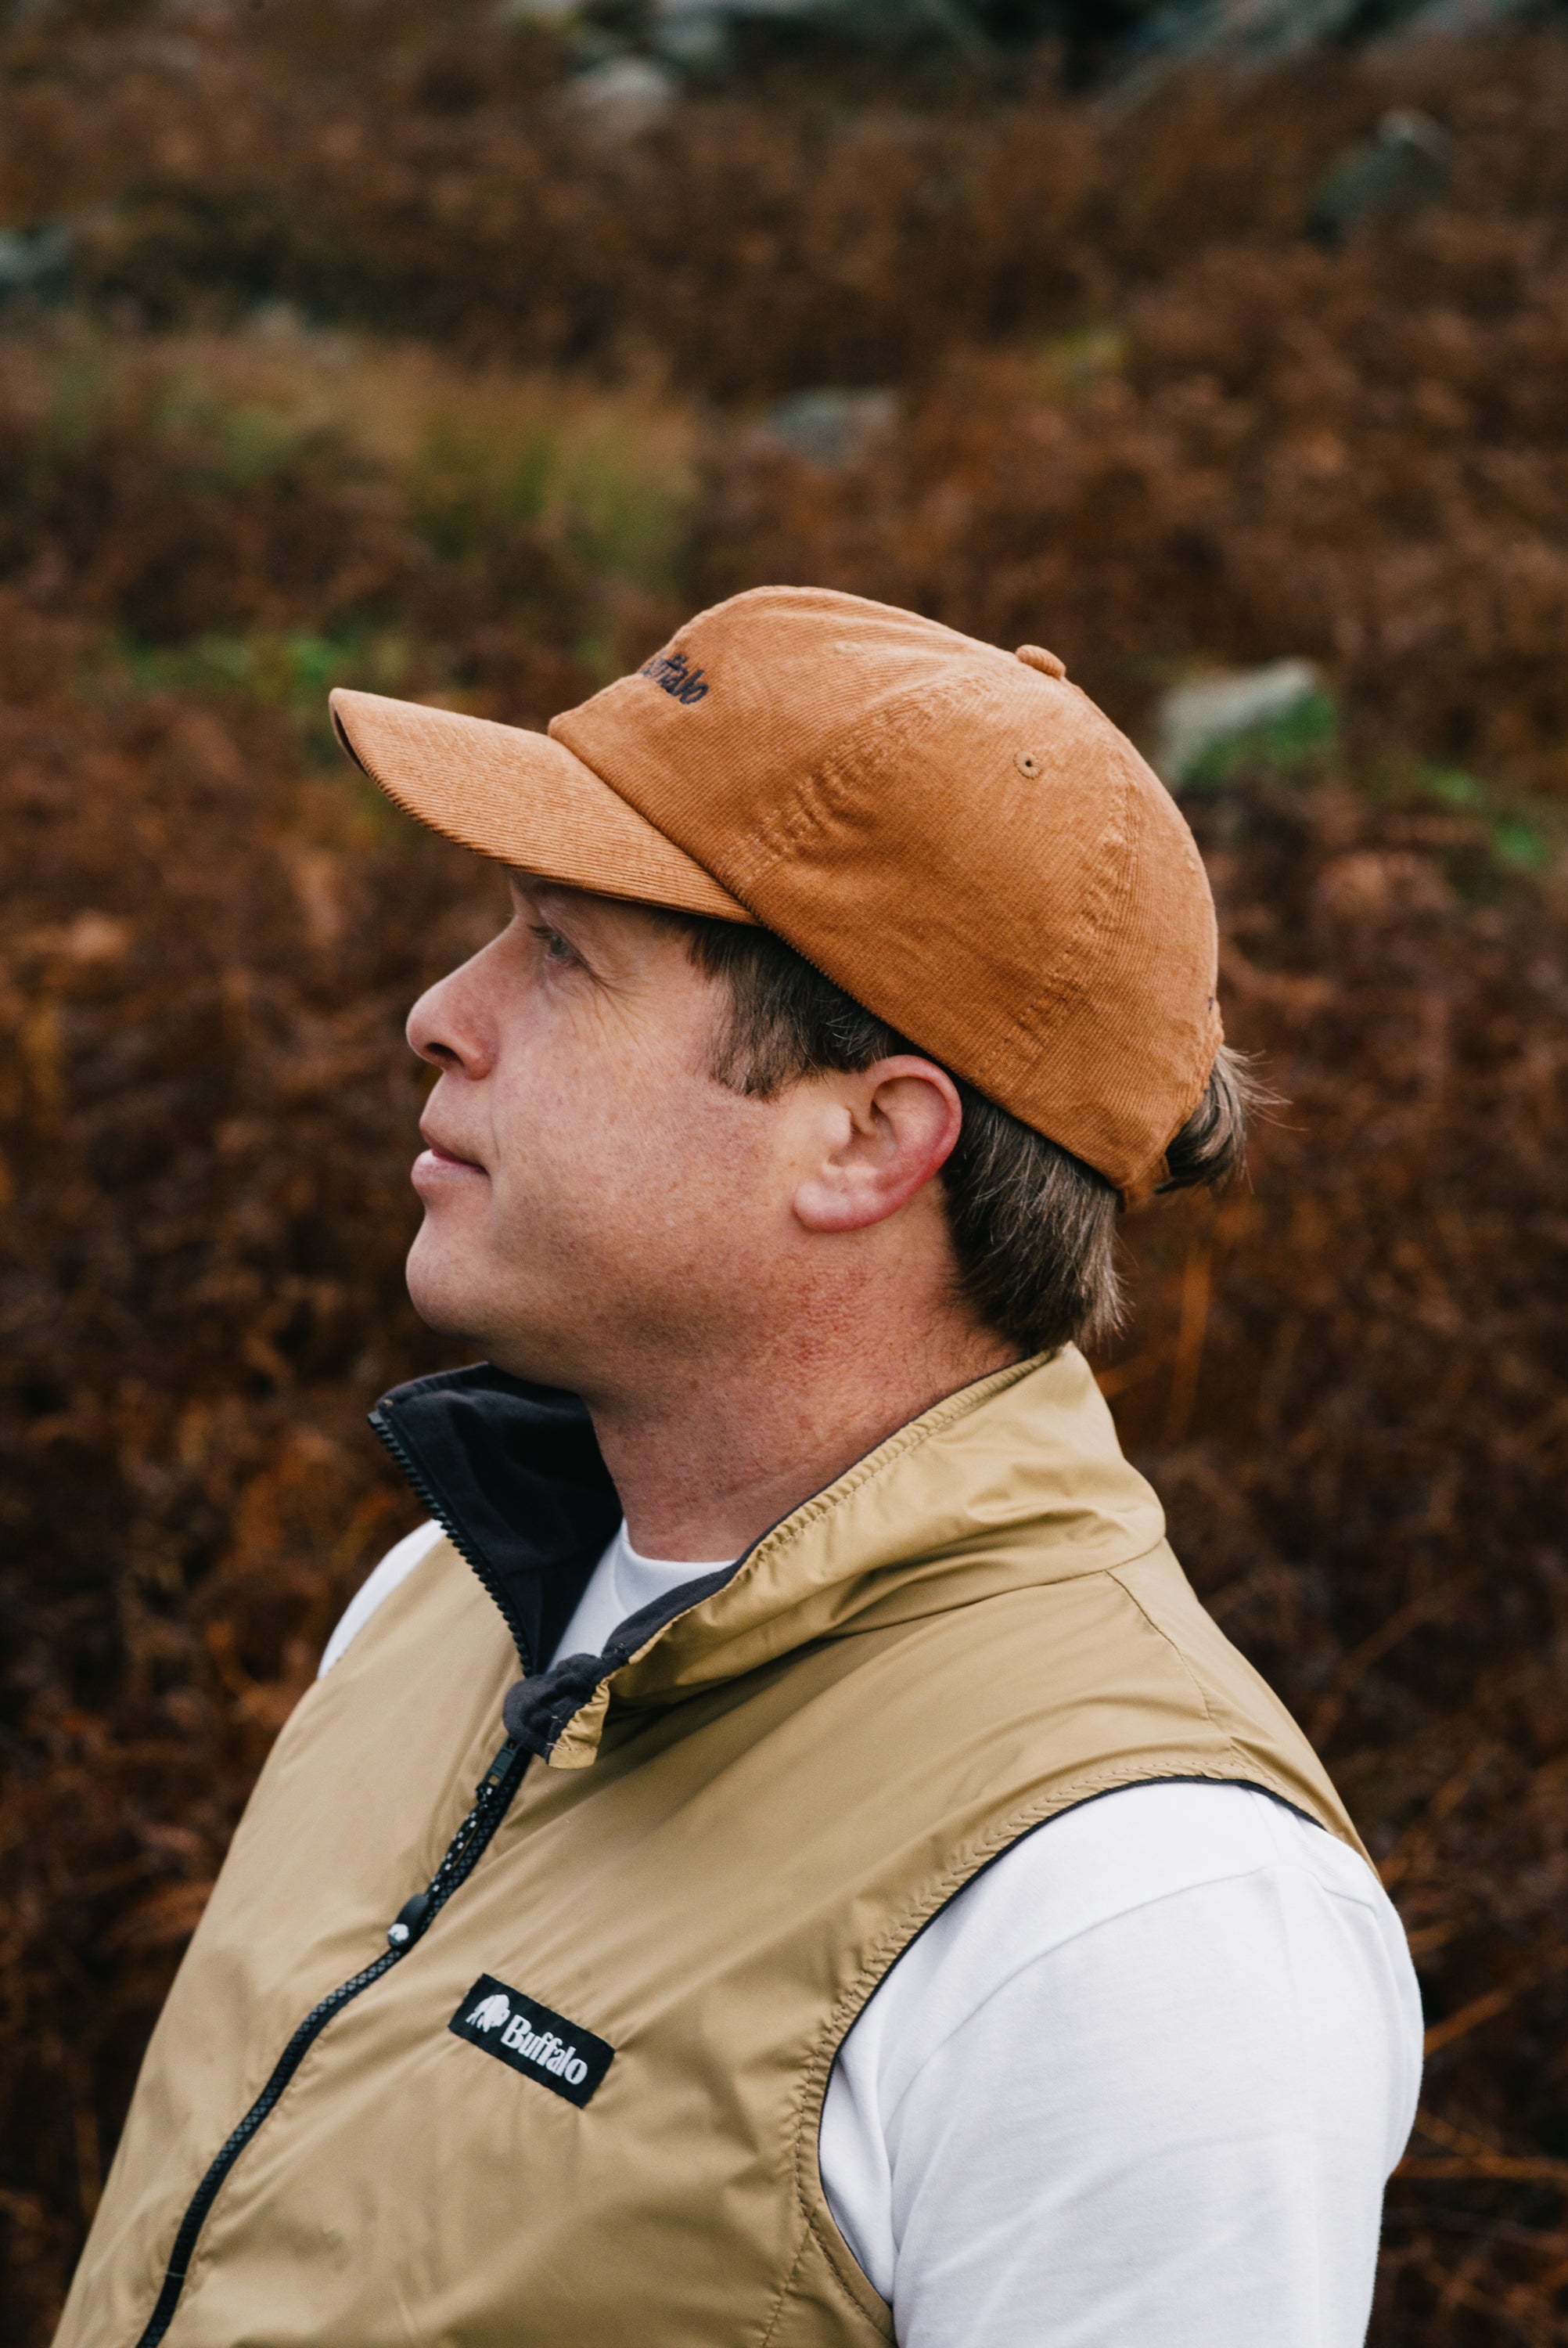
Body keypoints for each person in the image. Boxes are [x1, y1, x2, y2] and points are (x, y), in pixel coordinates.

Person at [56, 588, 1421, 2348]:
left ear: (869, 1137)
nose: (437, 1010)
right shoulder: (443, 1602)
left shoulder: (1134, 1920)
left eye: (560, 952)